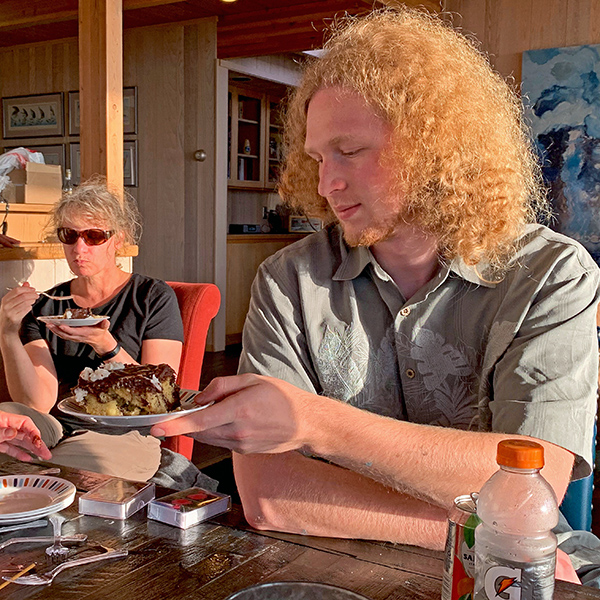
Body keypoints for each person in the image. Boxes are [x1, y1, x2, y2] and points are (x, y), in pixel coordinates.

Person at [153, 8, 600, 550]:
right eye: (317, 156)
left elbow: (535, 478)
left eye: (350, 150)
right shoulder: (289, 279)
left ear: (436, 148)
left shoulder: (550, 274)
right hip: (359, 564)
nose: (326, 183)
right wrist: (486, 537)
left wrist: (314, 423)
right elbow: (270, 495)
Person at [0, 178, 184, 481]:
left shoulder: (151, 296)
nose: (79, 247)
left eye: (94, 236)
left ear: (118, 239)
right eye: (69, 235)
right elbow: (37, 403)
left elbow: (160, 393)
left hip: (121, 431)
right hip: (57, 423)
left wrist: (106, 346)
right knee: (7, 415)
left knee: (56, 476)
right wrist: (8, 332)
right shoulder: (46, 306)